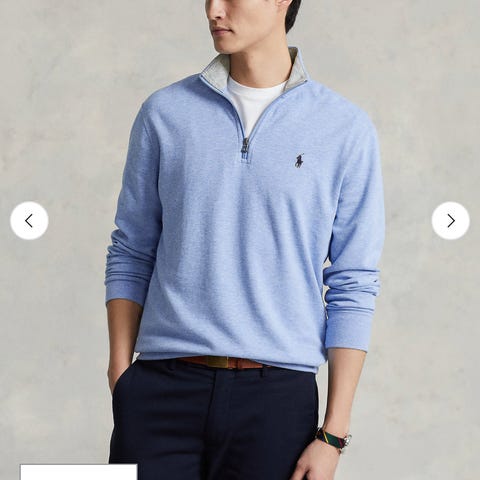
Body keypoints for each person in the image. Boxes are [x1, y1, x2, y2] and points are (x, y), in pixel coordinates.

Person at [104, 1, 385, 479]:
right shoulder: (165, 113)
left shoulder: (344, 129)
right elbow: (131, 249)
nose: (214, 9)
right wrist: (120, 371)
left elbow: (353, 282)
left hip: (277, 401)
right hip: (160, 392)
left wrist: (333, 434)